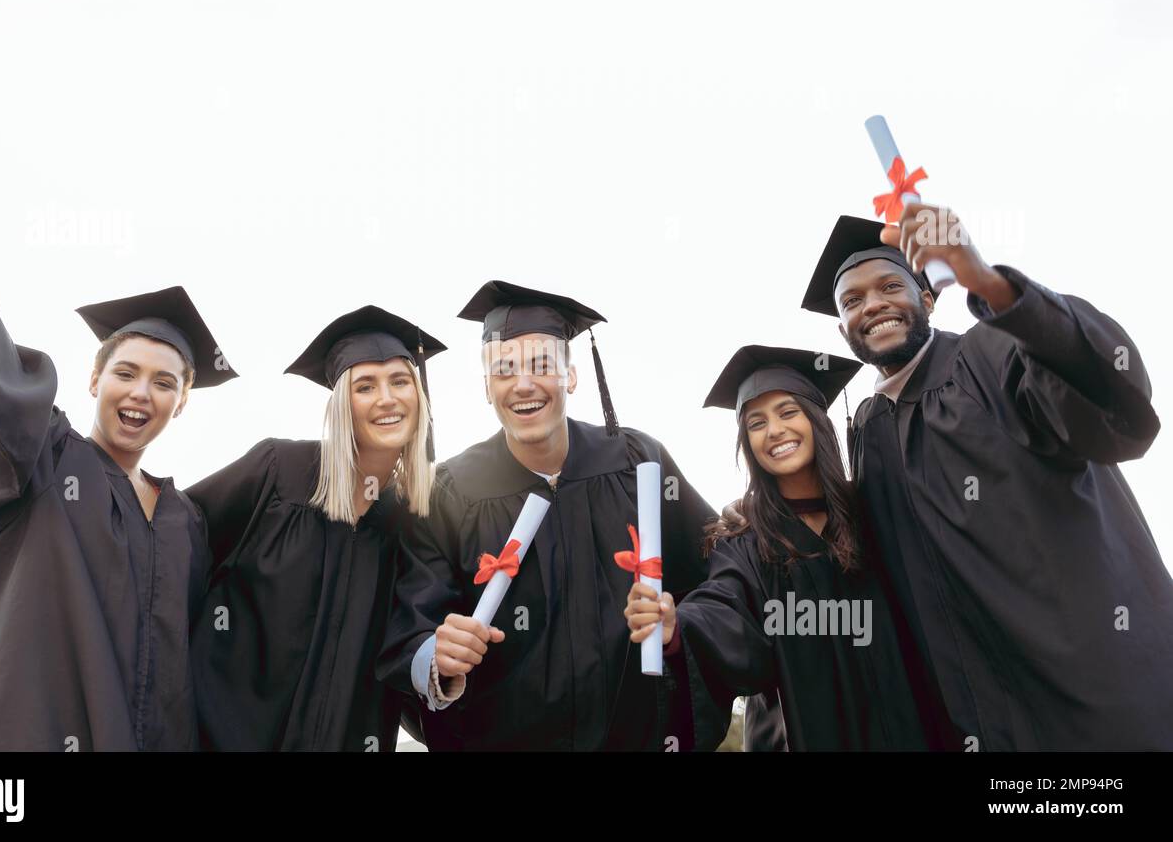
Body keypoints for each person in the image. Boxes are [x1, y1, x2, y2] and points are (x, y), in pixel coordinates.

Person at [0, 110, 237, 750]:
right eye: (126, 372)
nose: (141, 393)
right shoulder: (44, 457)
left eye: (164, 382)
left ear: (182, 403)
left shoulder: (187, 522)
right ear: (94, 379)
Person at [800, 210, 1173, 750]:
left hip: (1097, 693)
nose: (872, 305)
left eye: (890, 286)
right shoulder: (868, 428)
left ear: (928, 298)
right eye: (852, 301)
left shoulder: (990, 354)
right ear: (842, 329)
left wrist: (989, 283)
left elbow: (1107, 398)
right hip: (978, 716)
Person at [378, 281, 713, 751]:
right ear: (487, 387)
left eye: (541, 365)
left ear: (570, 376)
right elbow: (412, 625)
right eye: (504, 370)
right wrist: (438, 657)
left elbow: (716, 573)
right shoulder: (448, 494)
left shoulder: (637, 463)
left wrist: (681, 626)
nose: (523, 384)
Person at [626, 345, 933, 750]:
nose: (774, 431)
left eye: (788, 412)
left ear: (816, 420)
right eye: (756, 423)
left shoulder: (875, 515)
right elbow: (725, 606)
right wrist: (679, 627)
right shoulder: (745, 540)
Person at [187, 306, 443, 750]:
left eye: (400, 381)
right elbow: (176, 546)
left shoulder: (412, 525)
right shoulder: (277, 473)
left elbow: (407, 651)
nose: (386, 398)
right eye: (365, 386)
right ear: (342, 404)